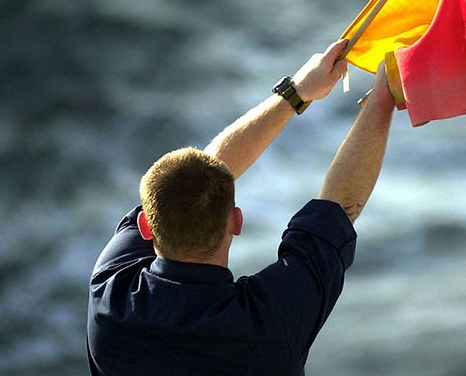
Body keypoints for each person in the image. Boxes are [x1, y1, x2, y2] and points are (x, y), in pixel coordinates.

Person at [87, 39, 396, 375]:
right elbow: (336, 209)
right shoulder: (268, 323)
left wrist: (376, 99)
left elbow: (336, 208)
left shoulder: (110, 296)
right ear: (235, 220)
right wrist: (378, 94)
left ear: (147, 225)